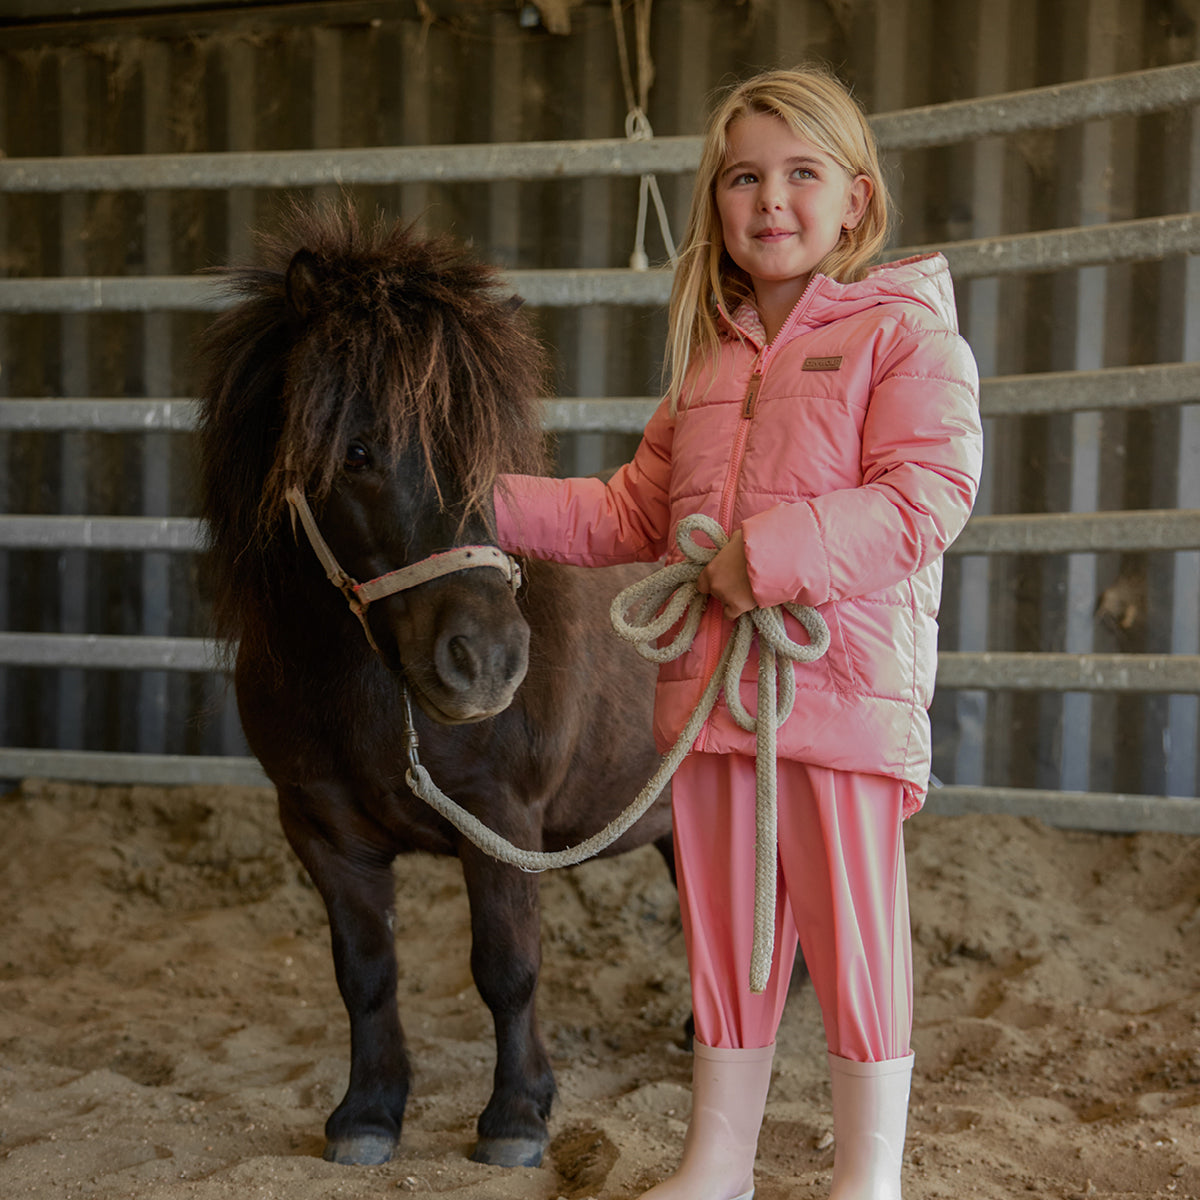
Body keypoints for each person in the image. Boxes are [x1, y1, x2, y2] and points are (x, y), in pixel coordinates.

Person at [493, 64, 983, 1200]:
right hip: (711, 699)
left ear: (854, 199)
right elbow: (627, 511)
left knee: (854, 939)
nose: (772, 200)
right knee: (724, 933)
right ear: (717, 200)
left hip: (837, 694)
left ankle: (870, 1177)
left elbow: (926, 500)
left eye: (802, 174)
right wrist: (485, 498)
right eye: (746, 177)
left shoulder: (904, 340)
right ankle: (719, 1161)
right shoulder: (708, 367)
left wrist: (763, 557)